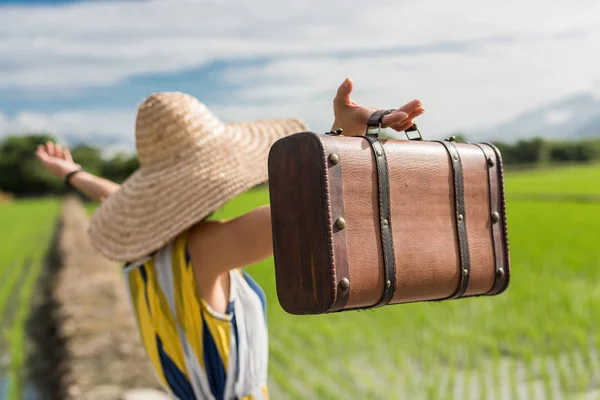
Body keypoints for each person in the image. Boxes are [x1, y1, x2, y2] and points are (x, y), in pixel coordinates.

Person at [36, 78, 425, 400]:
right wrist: (348, 135)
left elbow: (112, 196)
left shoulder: (148, 250)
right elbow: (311, 209)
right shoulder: (206, 248)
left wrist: (73, 174)